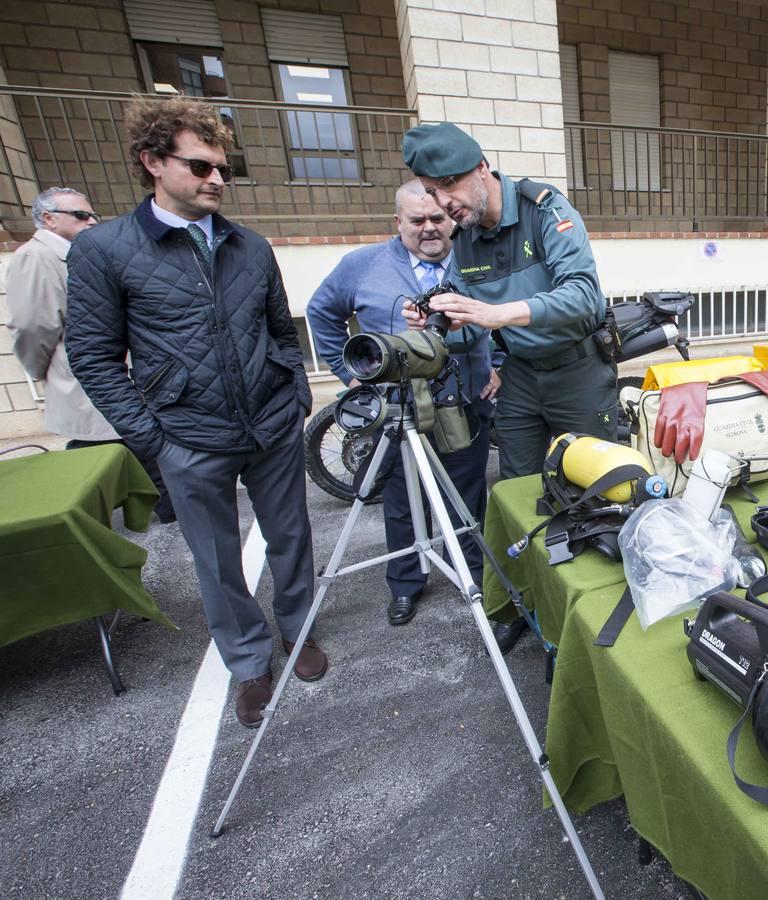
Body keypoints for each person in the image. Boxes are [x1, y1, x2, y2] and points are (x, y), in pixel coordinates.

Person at [65, 97, 322, 728]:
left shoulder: (250, 246)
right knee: (215, 557)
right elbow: (94, 356)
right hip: (186, 437)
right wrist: (153, 440)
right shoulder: (105, 250)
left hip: (270, 425)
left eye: (223, 169)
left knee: (291, 538)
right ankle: (248, 662)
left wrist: (296, 397)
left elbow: (281, 334)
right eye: (201, 165)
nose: (216, 180)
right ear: (153, 162)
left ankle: (300, 630)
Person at [307, 181, 499, 626]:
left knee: (467, 500)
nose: (430, 228)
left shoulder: (476, 260)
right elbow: (321, 313)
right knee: (399, 501)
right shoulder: (362, 265)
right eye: (418, 220)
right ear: (398, 222)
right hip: (393, 411)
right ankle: (406, 584)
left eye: (438, 218)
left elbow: (507, 314)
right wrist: (349, 374)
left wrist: (499, 364)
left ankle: (477, 578)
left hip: (463, 404)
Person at [398, 122, 618, 479]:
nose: (444, 203)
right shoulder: (465, 240)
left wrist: (498, 313)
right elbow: (469, 331)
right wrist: (442, 325)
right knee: (518, 488)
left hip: (578, 370)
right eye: (432, 192)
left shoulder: (544, 210)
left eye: (449, 184)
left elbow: (584, 297)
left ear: (482, 168)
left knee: (594, 486)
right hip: (520, 375)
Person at [7, 187, 177, 523]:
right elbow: (31, 326)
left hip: (109, 380)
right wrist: (42, 369)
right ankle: (74, 527)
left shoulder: (82, 252)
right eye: (80, 215)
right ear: (48, 219)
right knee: (119, 454)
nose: (92, 221)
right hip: (85, 378)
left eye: (92, 215)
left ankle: (83, 520)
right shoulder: (35, 258)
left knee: (114, 455)